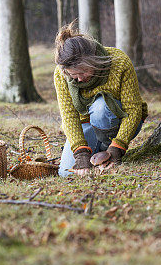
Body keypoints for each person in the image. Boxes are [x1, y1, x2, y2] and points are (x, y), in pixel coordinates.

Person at [53, 22, 148, 176]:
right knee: (66, 173)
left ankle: (108, 150)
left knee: (100, 107)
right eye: (73, 75)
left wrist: (117, 147)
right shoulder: (61, 73)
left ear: (94, 61)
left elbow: (133, 110)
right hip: (87, 125)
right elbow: (69, 116)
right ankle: (97, 156)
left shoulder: (119, 62)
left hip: (119, 121)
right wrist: (80, 153)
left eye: (83, 72)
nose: (78, 79)